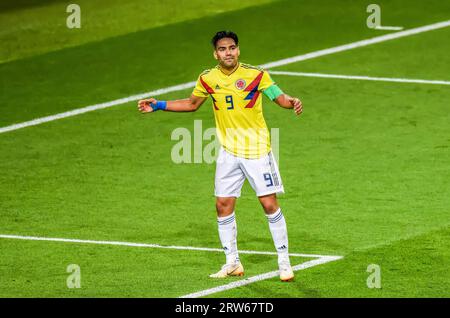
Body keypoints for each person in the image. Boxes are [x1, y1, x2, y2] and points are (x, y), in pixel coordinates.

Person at [138, 30, 303, 282]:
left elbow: (278, 97)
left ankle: (284, 263)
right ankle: (232, 262)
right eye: (223, 49)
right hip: (228, 152)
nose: (229, 52)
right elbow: (191, 104)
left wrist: (291, 101)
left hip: (257, 151)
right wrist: (158, 104)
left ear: (238, 50)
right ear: (216, 53)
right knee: (222, 205)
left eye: (233, 48)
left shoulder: (256, 75)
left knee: (269, 204)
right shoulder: (208, 78)